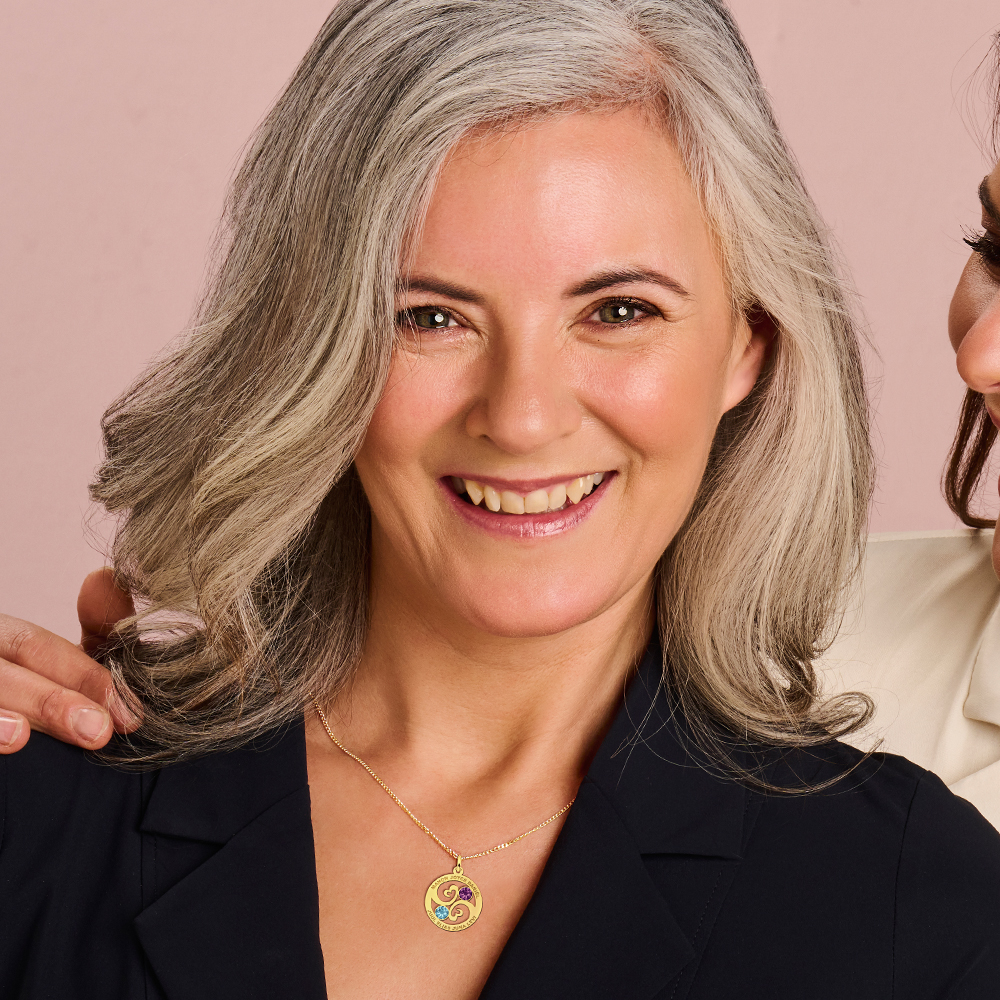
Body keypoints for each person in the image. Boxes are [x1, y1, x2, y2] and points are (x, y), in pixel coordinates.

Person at [1, 2, 998, 998]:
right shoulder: (43, 809)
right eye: (429, 316)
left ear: (748, 343)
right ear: (312, 343)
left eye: (618, 311)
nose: (521, 417)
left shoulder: (925, 905)